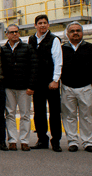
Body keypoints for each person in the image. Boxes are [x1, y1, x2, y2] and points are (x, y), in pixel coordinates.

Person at [61, 22, 92, 153]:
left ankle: (88, 142)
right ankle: (72, 141)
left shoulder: (91, 48)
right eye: (72, 31)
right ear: (67, 34)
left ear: (82, 33)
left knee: (86, 116)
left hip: (86, 87)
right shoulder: (62, 49)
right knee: (69, 116)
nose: (75, 33)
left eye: (78, 30)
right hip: (67, 87)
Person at [28, 14, 63, 152]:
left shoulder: (54, 40)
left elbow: (58, 61)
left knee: (54, 112)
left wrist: (55, 80)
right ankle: (42, 139)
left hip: (51, 82)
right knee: (39, 112)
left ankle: (56, 141)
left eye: (45, 23)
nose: (42, 25)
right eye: (40, 23)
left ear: (48, 25)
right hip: (37, 82)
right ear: (35, 25)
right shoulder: (31, 39)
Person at [1, 24, 38, 151]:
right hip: (9, 87)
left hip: (24, 88)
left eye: (16, 32)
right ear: (7, 34)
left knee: (25, 115)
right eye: (12, 32)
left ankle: (24, 141)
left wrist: (31, 86)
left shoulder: (27, 48)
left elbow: (34, 68)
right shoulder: (3, 50)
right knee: (10, 114)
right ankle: (12, 140)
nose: (15, 34)